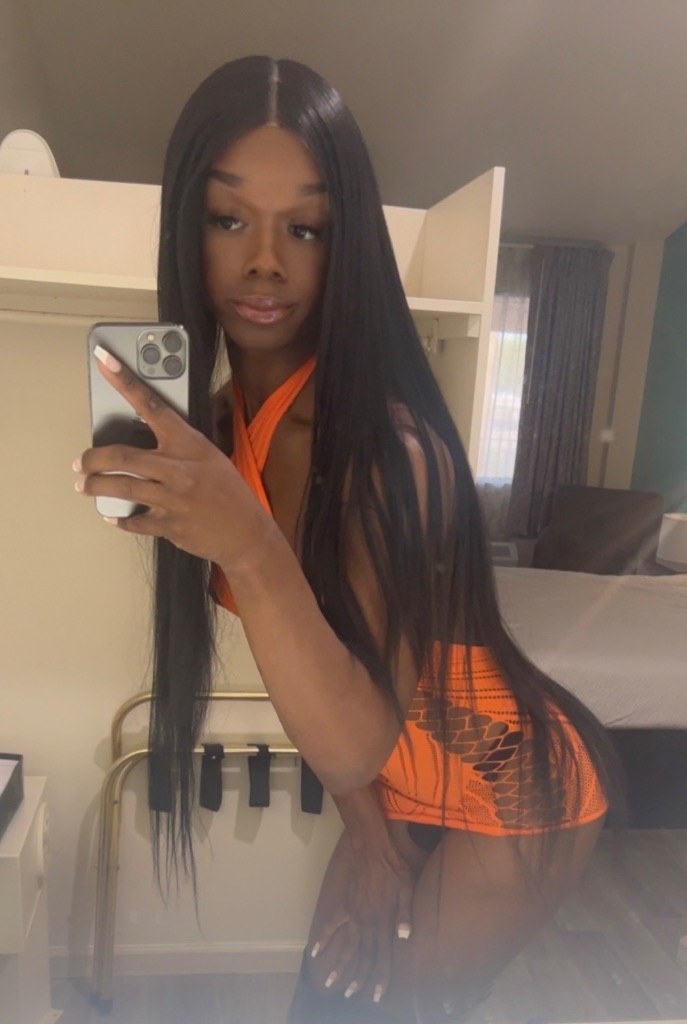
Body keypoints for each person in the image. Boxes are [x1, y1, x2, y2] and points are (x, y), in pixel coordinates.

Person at [75, 57, 620, 1023]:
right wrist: (370, 840)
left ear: (345, 244)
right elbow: (316, 679)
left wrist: (249, 547)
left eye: (307, 228)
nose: (265, 262)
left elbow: (368, 724)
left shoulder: (384, 451)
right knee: (320, 1003)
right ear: (187, 229)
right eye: (229, 218)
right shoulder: (217, 430)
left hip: (506, 780)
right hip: (386, 781)